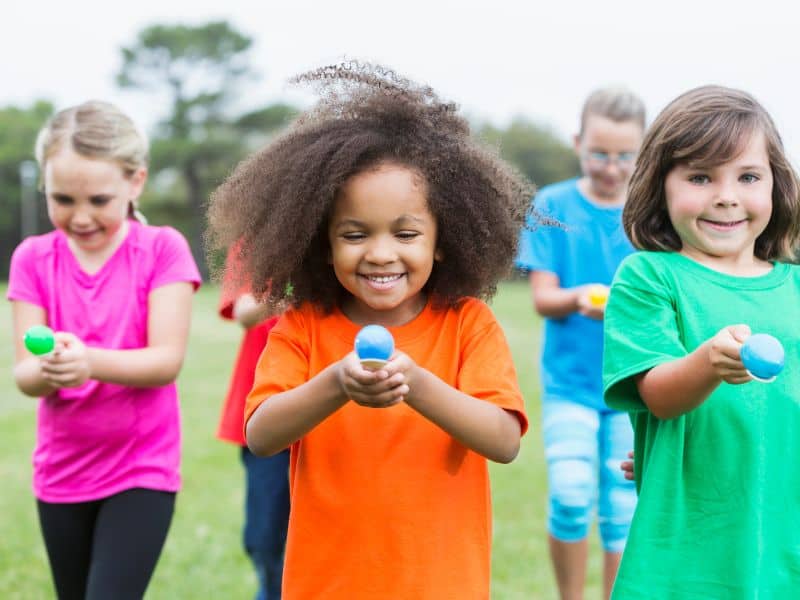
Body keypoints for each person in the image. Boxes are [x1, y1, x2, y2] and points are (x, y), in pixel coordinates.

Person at [206, 62, 533, 600]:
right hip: (325, 584)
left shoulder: (468, 323)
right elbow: (261, 435)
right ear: (323, 244)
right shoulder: (303, 327)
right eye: (355, 235)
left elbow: (503, 441)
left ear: (442, 240)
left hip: (441, 584)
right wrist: (336, 383)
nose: (381, 253)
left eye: (406, 233)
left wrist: (419, 385)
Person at [603, 85, 800, 598]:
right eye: (700, 176)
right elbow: (660, 398)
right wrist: (708, 364)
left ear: (777, 185)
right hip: (688, 548)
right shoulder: (649, 277)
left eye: (748, 176)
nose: (727, 195)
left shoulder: (795, 285)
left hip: (783, 538)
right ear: (660, 186)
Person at [8, 100, 201, 599]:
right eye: (62, 199)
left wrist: (88, 361)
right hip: (62, 470)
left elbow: (165, 362)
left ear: (135, 182)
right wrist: (51, 367)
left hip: (141, 469)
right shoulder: (32, 258)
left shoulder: (162, 249)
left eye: (97, 199)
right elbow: (24, 376)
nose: (80, 216)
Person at [515, 87, 645, 599]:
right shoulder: (553, 205)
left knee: (621, 507)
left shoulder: (648, 211)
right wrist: (582, 299)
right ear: (578, 142)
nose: (611, 167)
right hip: (570, 383)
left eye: (624, 156)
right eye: (599, 153)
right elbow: (543, 298)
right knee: (570, 496)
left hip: (631, 384)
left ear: (642, 151)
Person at [217, 255, 290, 600]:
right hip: (265, 412)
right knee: (264, 538)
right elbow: (245, 311)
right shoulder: (258, 231)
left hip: (342, 415)